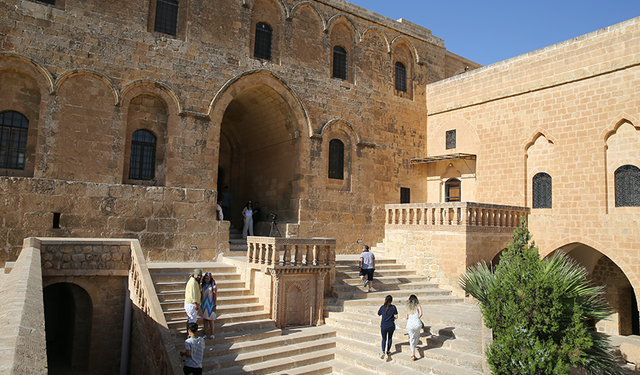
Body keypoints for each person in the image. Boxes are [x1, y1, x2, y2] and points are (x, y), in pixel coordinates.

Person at [377, 295, 398, 361]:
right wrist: (392, 318)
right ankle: (388, 351)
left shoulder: (383, 307)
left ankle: (383, 351)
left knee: (384, 338)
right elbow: (396, 316)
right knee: (390, 338)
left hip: (384, 325)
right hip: (391, 325)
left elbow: (378, 314)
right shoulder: (393, 307)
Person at [405, 294, 424, 361]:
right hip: (417, 324)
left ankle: (413, 353)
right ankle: (414, 347)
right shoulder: (418, 305)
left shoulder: (407, 307)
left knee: (411, 338)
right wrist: (417, 318)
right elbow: (421, 313)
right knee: (417, 336)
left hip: (410, 325)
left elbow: (406, 317)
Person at [200, 272, 217, 339]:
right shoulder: (203, 286)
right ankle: (206, 333)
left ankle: (212, 334)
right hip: (204, 304)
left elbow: (215, 296)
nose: (207, 280)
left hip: (210, 304)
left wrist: (215, 305)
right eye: (206, 279)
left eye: (208, 279)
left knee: (211, 320)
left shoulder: (213, 286)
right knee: (205, 320)